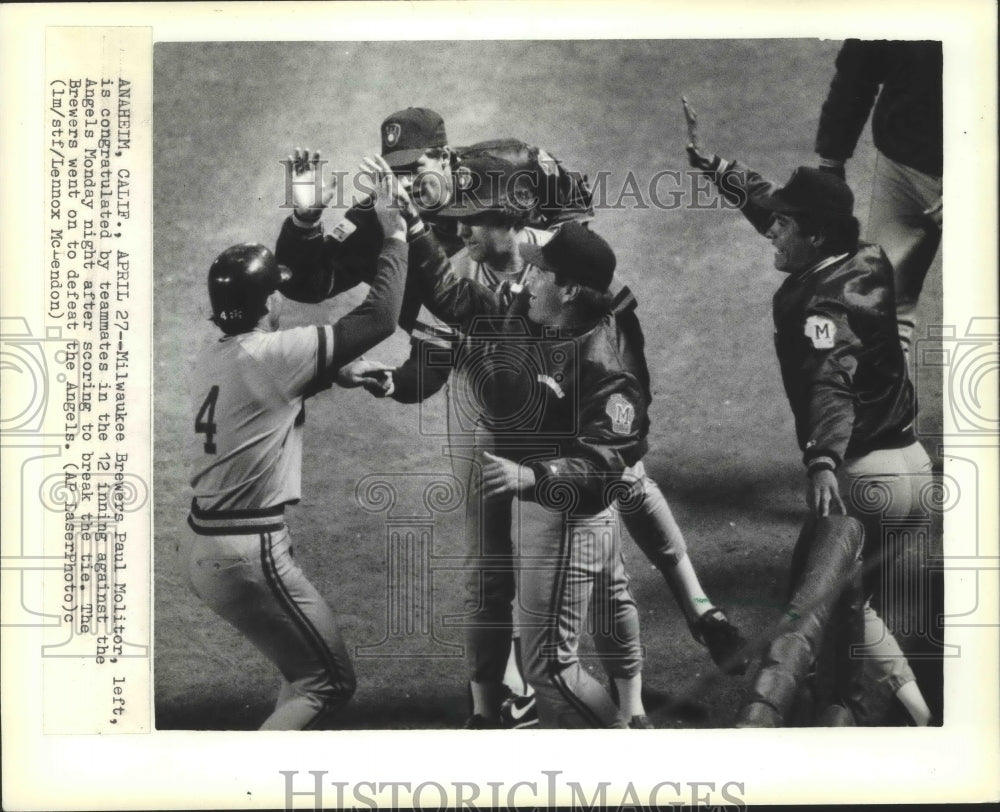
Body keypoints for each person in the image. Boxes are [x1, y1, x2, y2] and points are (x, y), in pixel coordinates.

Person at [686, 126, 935, 726]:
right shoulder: (865, 255)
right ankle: (923, 718)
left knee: (816, 615)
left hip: (860, 481)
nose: (772, 229)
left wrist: (822, 457)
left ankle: (825, 724)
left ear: (815, 234)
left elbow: (831, 377)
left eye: (784, 226)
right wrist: (718, 168)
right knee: (854, 608)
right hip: (914, 474)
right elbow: (775, 207)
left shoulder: (819, 307)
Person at [406, 205, 653, 728]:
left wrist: (532, 477)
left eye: (540, 269)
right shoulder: (534, 309)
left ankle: (630, 759)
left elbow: (606, 460)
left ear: (567, 289)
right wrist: (415, 233)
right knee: (596, 614)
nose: (527, 274)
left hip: (567, 513)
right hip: (544, 503)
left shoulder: (604, 362)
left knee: (550, 668)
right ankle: (628, 727)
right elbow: (459, 301)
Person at [184, 174, 408, 729]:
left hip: (203, 542)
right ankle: (246, 789)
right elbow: (379, 318)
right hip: (246, 553)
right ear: (267, 304)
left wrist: (335, 372)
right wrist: (397, 234)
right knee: (328, 684)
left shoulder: (215, 355)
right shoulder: (278, 353)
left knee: (301, 674)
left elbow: (265, 392)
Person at [814, 40, 942, 356]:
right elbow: (859, 67)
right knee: (881, 307)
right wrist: (831, 161)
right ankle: (887, 402)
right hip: (901, 169)